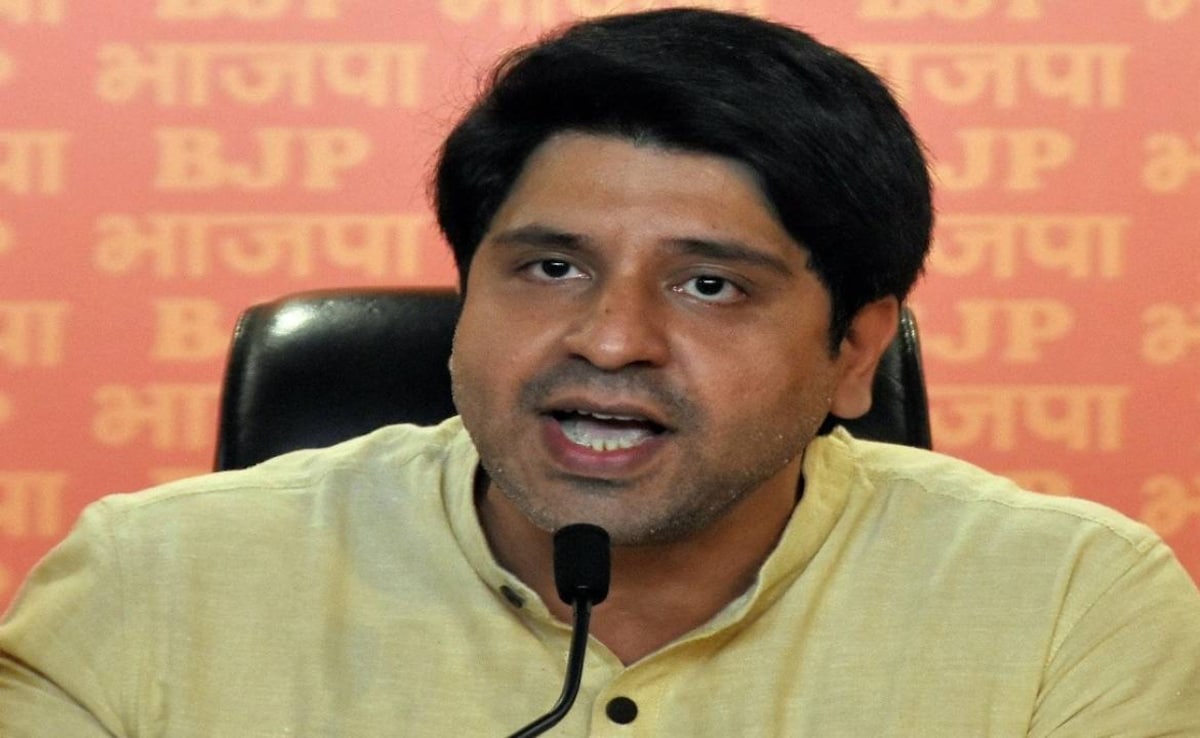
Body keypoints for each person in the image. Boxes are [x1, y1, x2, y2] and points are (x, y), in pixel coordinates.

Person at [2, 8, 1198, 736]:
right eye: (552, 267)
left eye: (709, 285)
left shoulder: (1067, 608)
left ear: (856, 354)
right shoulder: (153, 587)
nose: (611, 339)